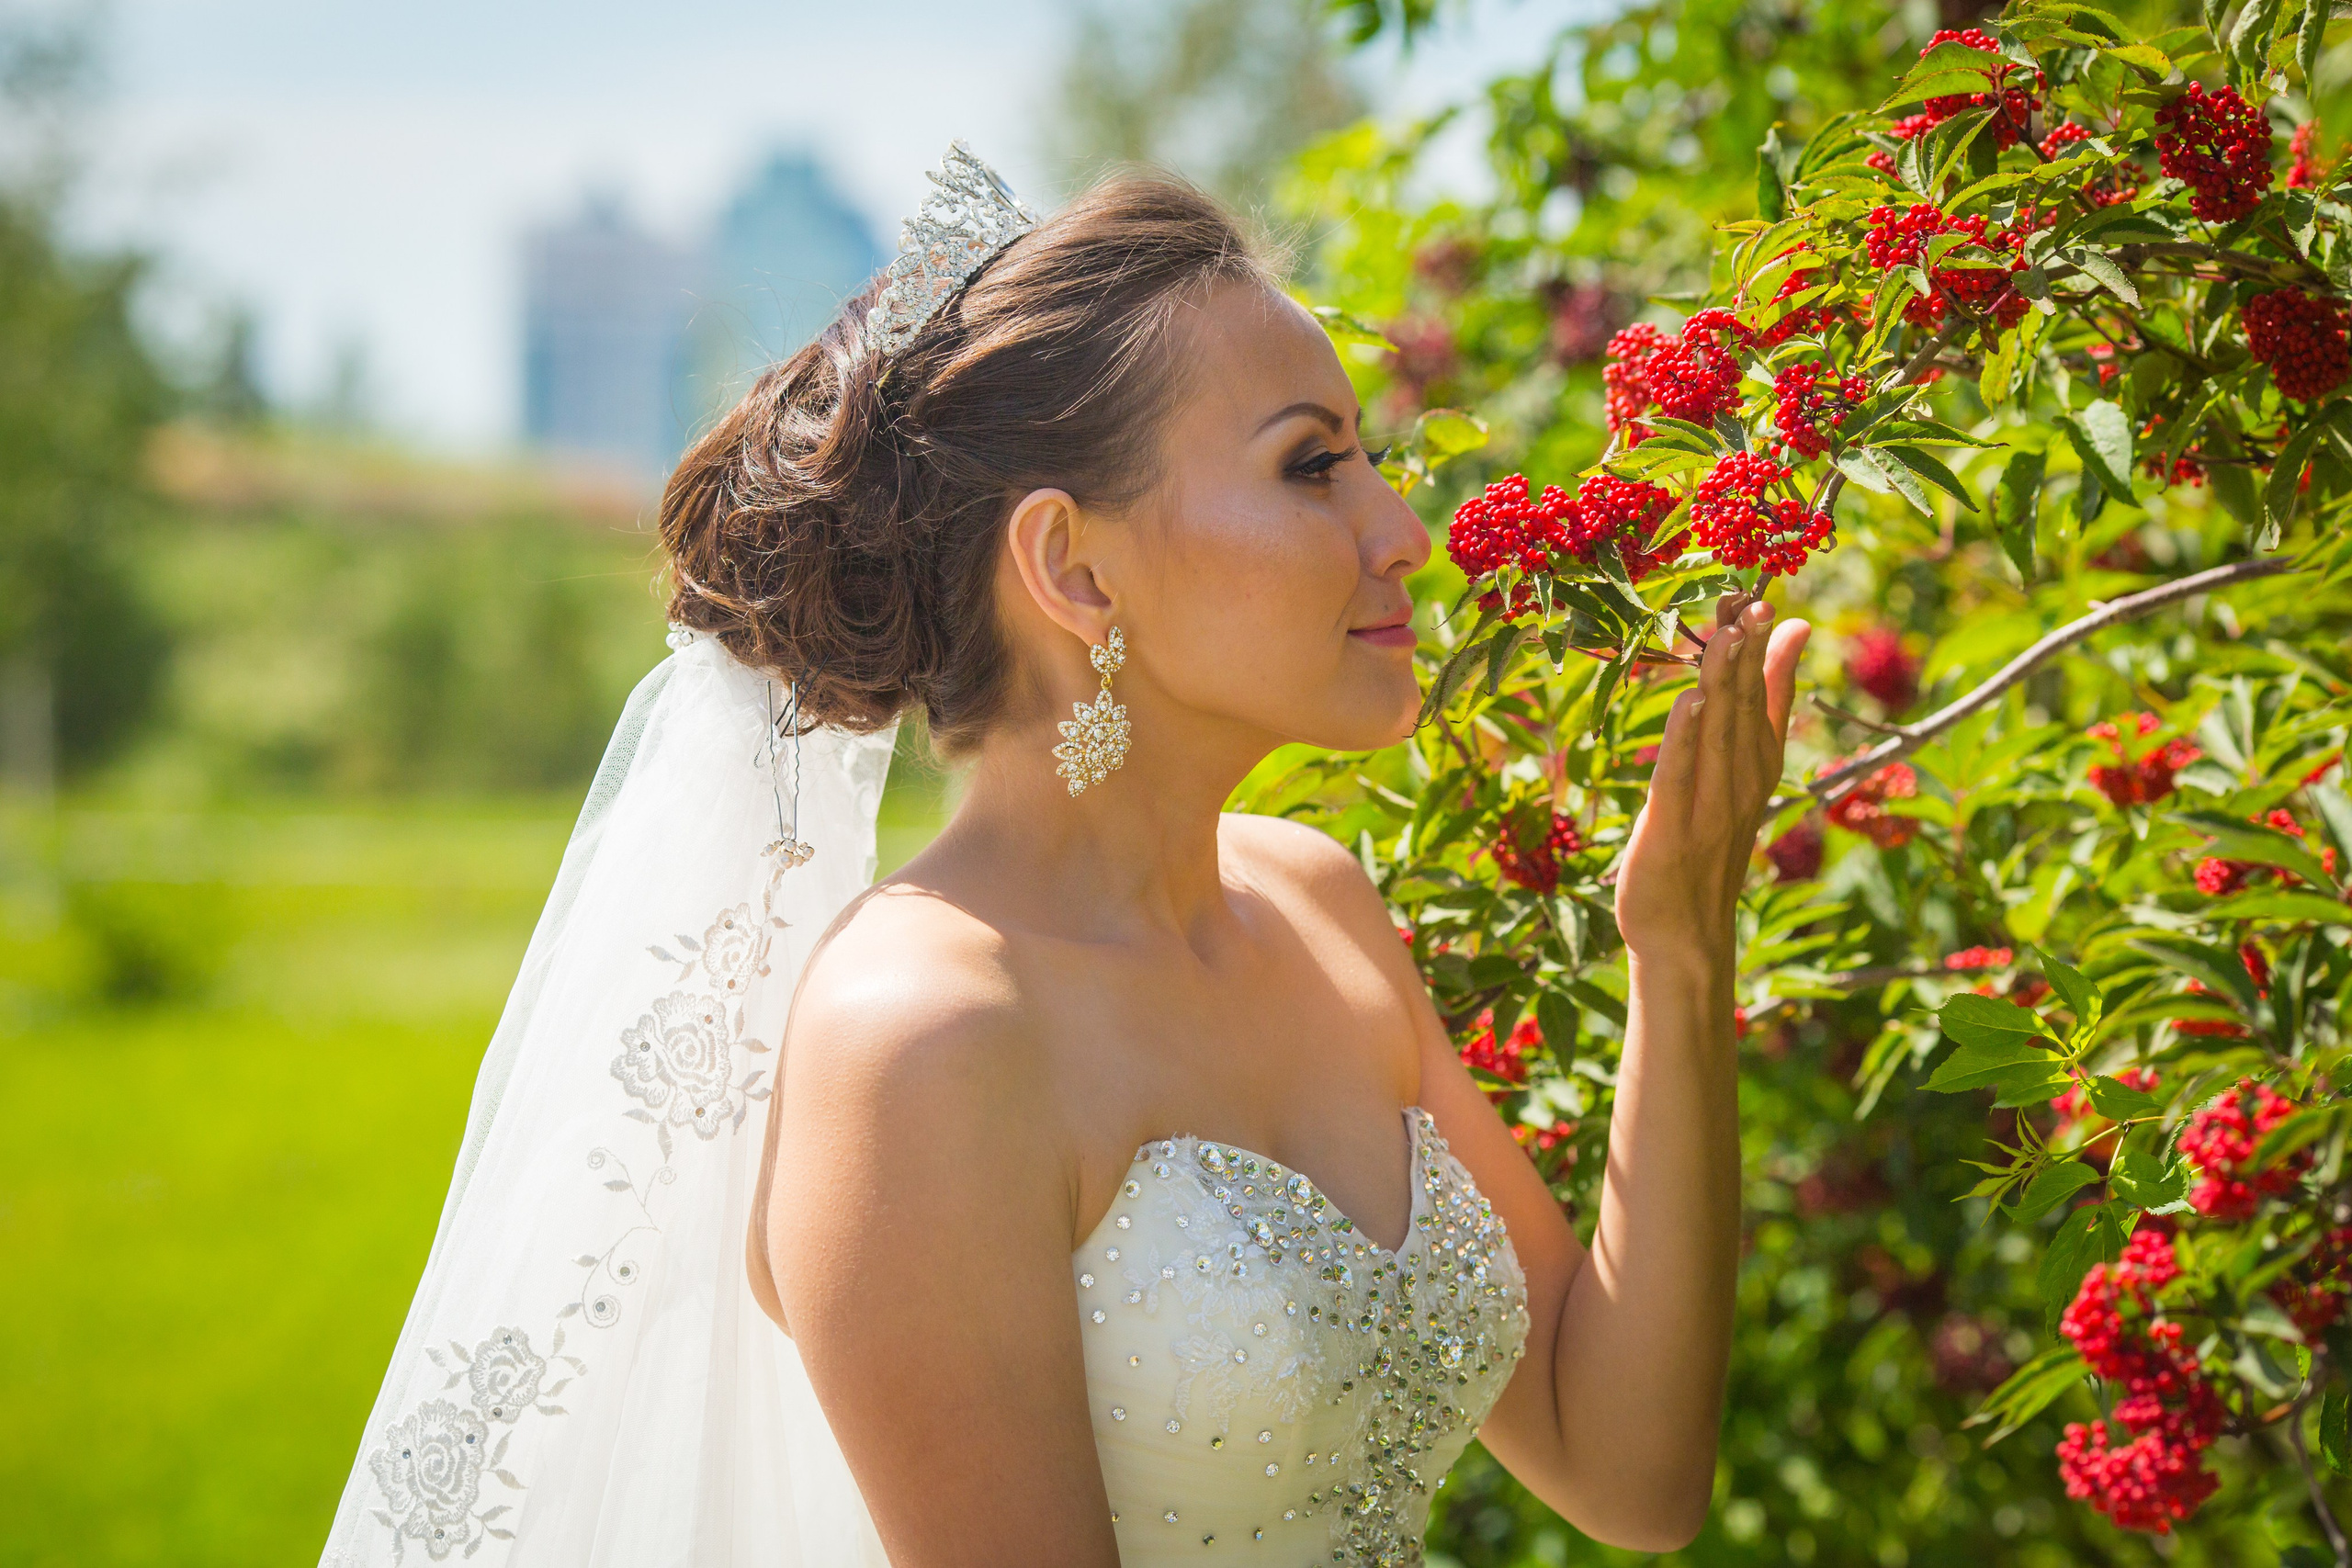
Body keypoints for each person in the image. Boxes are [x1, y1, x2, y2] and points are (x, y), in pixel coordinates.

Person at [320, 145, 1805, 1568]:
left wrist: (1679, 949)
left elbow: (1631, 1470)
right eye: (1311, 470)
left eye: (1371, 462)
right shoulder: (928, 1039)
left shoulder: (1320, 904)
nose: (1404, 532)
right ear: (1074, 568)